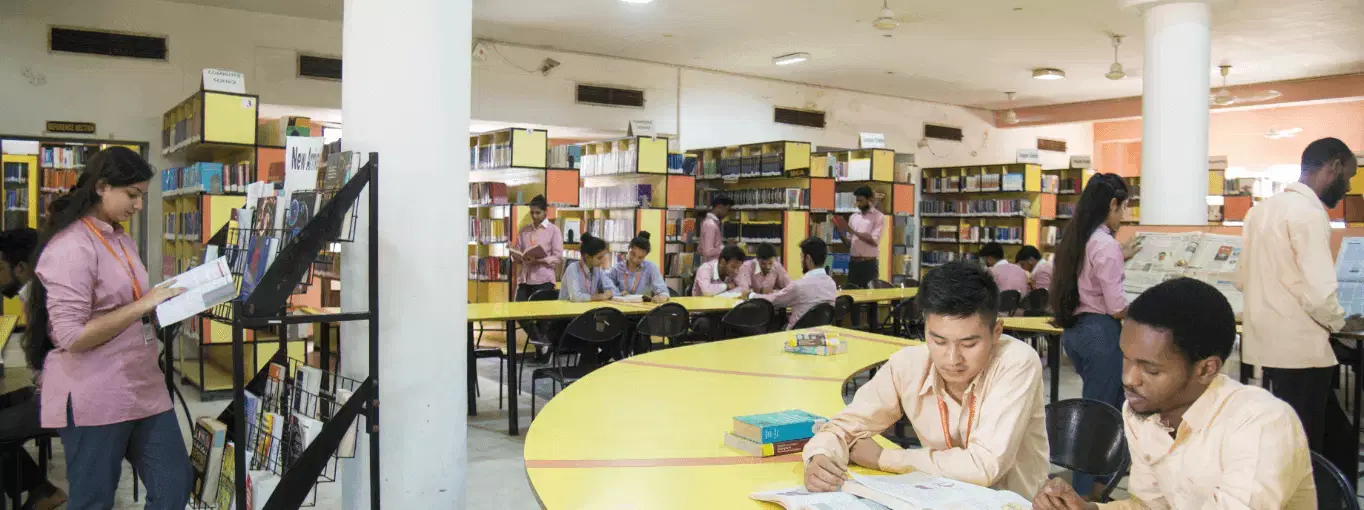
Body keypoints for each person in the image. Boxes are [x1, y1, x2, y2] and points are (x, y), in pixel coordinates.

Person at [1034, 278, 1316, 509]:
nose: (1129, 379)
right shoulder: (1143, 410)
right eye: (1125, 358)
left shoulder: (1260, 423)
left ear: (1206, 370)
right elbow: (1149, 506)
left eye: (1151, 370)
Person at [24, 146, 191, 509]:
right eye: (132, 195)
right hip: (93, 395)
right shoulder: (70, 247)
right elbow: (71, 336)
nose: (139, 206)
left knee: (174, 483)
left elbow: (130, 301)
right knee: (94, 499)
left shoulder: (119, 237)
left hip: (142, 385)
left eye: (142, 196)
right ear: (102, 187)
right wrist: (142, 305)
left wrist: (167, 303)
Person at [803, 261, 1049, 497]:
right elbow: (843, 427)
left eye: (969, 343)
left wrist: (883, 458)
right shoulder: (909, 364)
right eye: (939, 341)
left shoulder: (1017, 362)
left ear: (996, 332)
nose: (952, 359)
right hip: (937, 499)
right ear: (925, 329)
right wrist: (820, 457)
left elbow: (984, 466)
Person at [1239, 137, 1362, 481]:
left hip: (1267, 347)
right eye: (1348, 177)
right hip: (1302, 352)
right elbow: (1320, 293)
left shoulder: (1259, 211)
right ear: (1333, 167)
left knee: (1330, 437)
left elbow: (1242, 276)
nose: (1348, 186)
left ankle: (1337, 495)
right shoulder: (1309, 214)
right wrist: (1343, 322)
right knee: (1308, 446)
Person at [1047, 173, 1139, 500]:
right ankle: (1084, 496)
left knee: (1100, 411)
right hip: (1102, 334)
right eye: (1122, 208)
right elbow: (1116, 306)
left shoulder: (1077, 238)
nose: (1123, 216)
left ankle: (1096, 490)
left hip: (1077, 332)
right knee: (1102, 417)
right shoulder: (1105, 244)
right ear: (1112, 204)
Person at [0, 227, 64, 509]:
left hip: (62, 399)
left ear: (20, 267)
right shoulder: (37, 293)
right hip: (48, 390)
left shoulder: (45, 302)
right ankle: (41, 489)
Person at [742, 238, 837, 330]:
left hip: (795, 337)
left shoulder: (799, 286)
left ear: (808, 258)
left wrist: (752, 295)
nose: (801, 261)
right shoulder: (832, 284)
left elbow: (773, 300)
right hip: (821, 335)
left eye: (801, 256)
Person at [840, 186, 884, 327]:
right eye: (857, 201)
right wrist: (841, 230)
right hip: (854, 263)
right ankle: (855, 327)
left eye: (861, 200)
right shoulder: (853, 217)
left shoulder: (878, 217)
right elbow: (849, 243)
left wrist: (853, 231)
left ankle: (873, 328)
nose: (858, 203)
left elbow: (874, 240)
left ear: (870, 199)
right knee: (853, 297)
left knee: (872, 299)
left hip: (869, 263)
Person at [512, 195, 563, 302]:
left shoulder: (554, 230)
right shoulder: (524, 230)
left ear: (545, 212)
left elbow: (558, 257)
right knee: (520, 314)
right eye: (532, 213)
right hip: (524, 280)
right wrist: (515, 254)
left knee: (540, 316)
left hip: (544, 280)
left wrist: (539, 260)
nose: (534, 216)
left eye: (538, 213)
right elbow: (519, 251)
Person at [608, 231, 669, 303]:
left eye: (640, 257)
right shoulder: (617, 269)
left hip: (643, 311)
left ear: (646, 256)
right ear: (628, 249)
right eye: (633, 254)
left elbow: (663, 292)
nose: (635, 260)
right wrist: (617, 294)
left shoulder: (650, 268)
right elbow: (607, 289)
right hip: (621, 310)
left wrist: (662, 297)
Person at [559, 233, 618, 302]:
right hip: (568, 310)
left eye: (603, 257)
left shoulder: (597, 269)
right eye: (599, 258)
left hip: (587, 309)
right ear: (587, 257)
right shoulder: (573, 269)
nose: (602, 261)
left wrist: (610, 292)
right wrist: (601, 296)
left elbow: (613, 289)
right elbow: (575, 297)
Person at [698, 195, 733, 264]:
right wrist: (726, 247)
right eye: (727, 210)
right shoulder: (710, 225)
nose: (727, 213)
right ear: (719, 207)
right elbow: (708, 251)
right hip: (711, 266)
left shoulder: (710, 223)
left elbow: (701, 248)